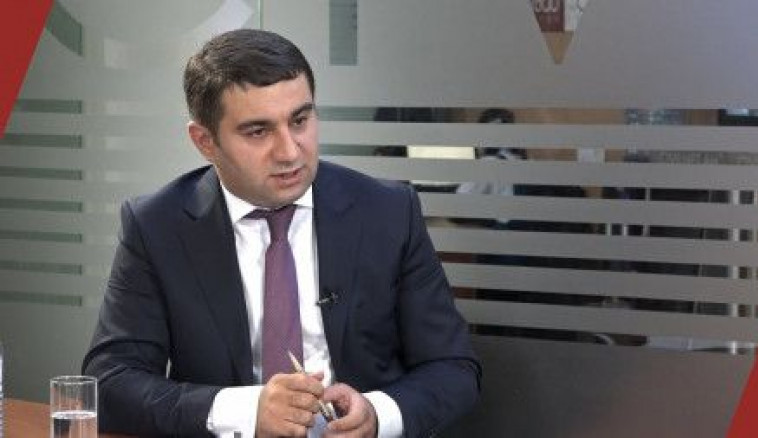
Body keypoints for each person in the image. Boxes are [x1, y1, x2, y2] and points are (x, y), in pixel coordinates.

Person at [81, 28, 480, 438]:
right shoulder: (157, 226)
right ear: (205, 141)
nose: (290, 151)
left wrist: (377, 415)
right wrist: (246, 411)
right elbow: (110, 382)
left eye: (300, 120)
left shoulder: (387, 212)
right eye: (258, 131)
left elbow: (453, 368)